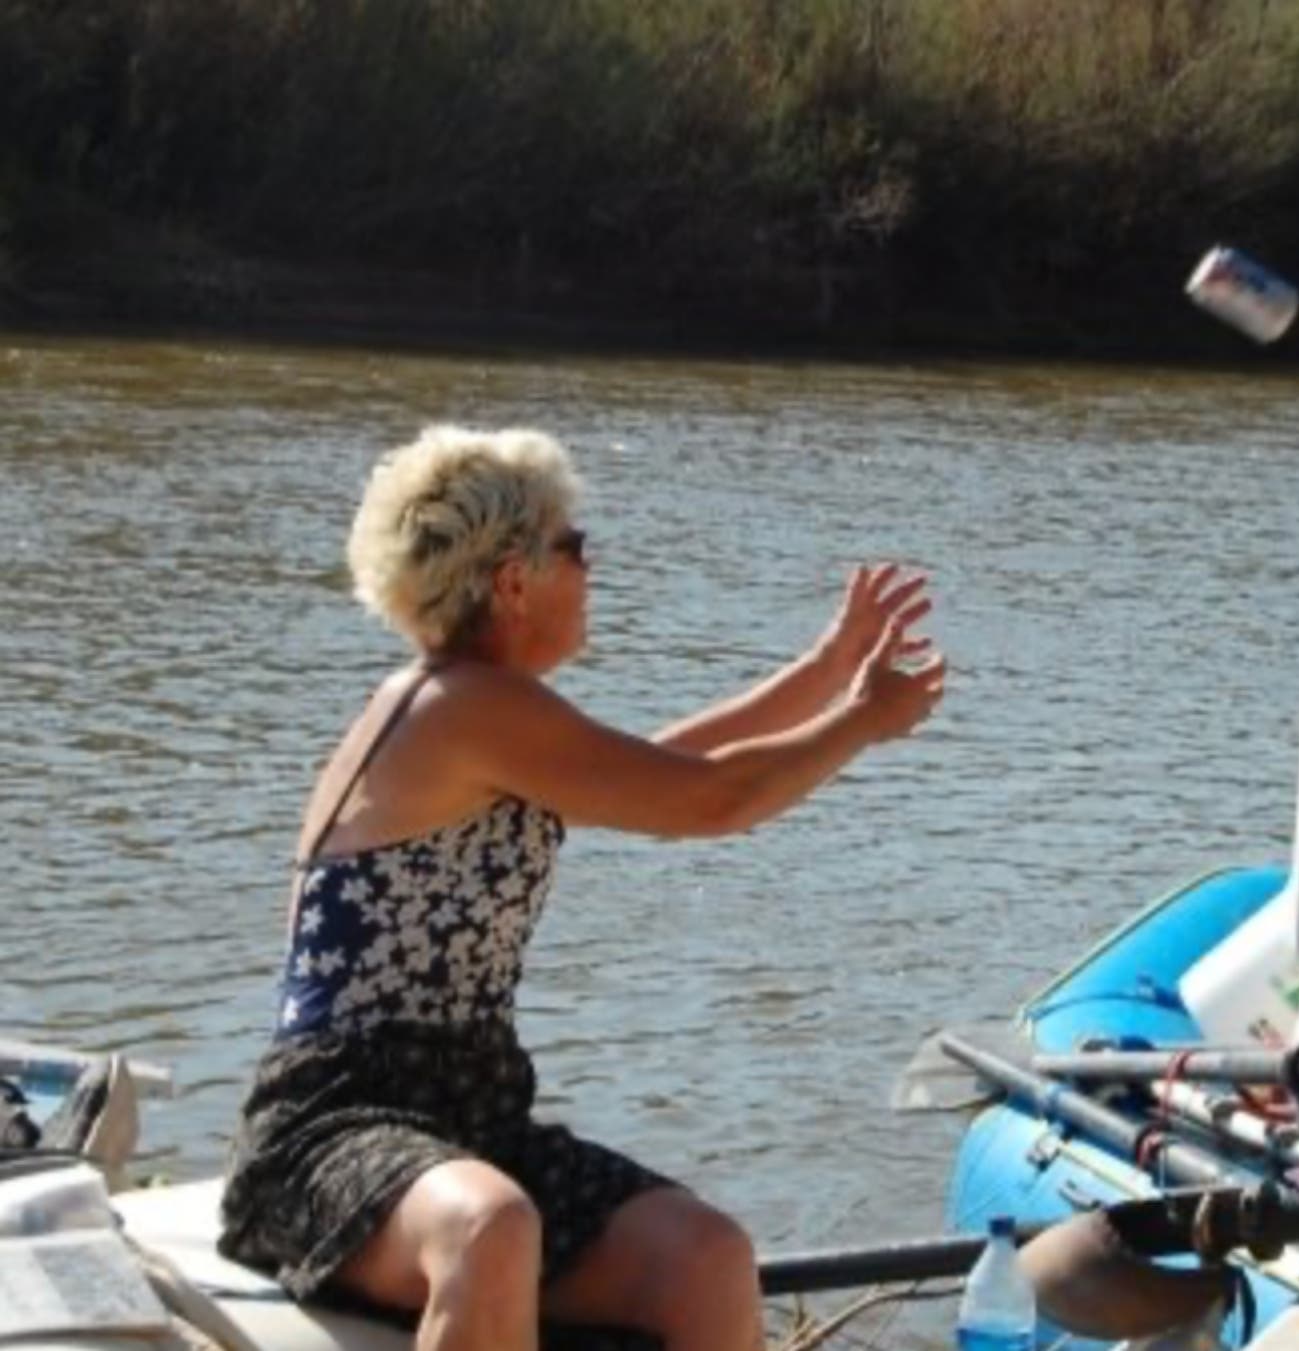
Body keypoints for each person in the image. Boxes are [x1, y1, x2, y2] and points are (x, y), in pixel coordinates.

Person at [217, 425, 947, 1351]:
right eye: (576, 546)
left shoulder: (488, 707)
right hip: (331, 1134)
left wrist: (824, 674)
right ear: (513, 579)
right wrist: (860, 721)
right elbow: (709, 798)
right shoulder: (457, 706)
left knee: (708, 1258)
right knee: (489, 1226)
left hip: (471, 1121)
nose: (592, 567)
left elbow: (664, 764)